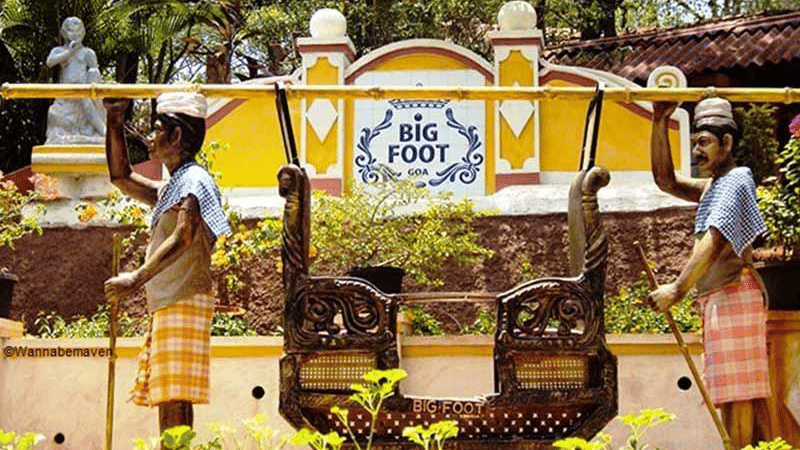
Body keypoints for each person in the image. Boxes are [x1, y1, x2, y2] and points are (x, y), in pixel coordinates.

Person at [103, 92, 230, 436]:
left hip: (183, 298)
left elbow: (184, 236)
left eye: (157, 129)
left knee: (175, 395)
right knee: (170, 394)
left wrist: (136, 278)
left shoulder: (194, 181)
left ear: (176, 136)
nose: (149, 137)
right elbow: (121, 177)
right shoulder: (175, 185)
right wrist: (114, 121)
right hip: (173, 299)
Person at [647, 98, 772, 447]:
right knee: (733, 397)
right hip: (722, 299)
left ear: (727, 143)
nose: (697, 151)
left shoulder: (736, 180)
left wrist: (677, 288)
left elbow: (715, 239)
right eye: (694, 143)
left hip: (735, 296)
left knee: (739, 399)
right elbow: (665, 180)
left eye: (704, 142)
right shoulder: (714, 186)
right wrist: (659, 120)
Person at [45, 16, 106, 144]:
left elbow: (94, 72)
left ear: (83, 32)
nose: (75, 34)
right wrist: (68, 53)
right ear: (63, 33)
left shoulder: (87, 53)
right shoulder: (59, 51)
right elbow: (49, 62)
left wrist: (93, 90)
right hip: (66, 93)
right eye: (71, 31)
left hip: (83, 91)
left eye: (78, 31)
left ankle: (102, 131)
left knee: (86, 101)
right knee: (53, 113)